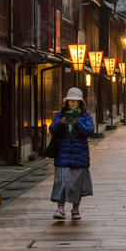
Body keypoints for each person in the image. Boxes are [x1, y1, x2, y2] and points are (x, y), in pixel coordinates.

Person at [49, 87, 94, 220]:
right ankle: (60, 209)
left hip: (79, 155)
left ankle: (75, 209)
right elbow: (52, 129)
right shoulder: (60, 113)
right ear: (66, 102)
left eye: (75, 101)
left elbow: (89, 131)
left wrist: (77, 124)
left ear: (80, 102)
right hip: (63, 153)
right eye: (70, 101)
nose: (73, 103)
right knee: (61, 182)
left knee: (76, 184)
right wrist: (61, 122)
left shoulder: (85, 115)